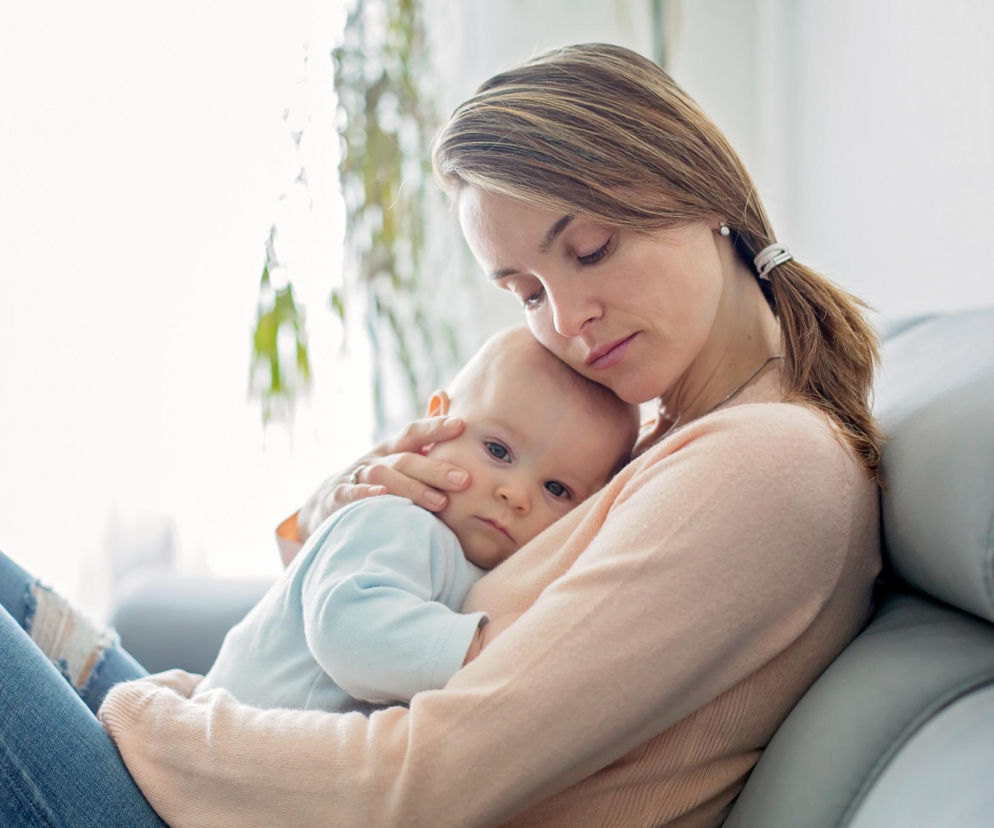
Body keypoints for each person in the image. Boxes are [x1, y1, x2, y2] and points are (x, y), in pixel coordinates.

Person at [2, 43, 883, 827]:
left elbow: (421, 785)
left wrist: (144, 716)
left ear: (702, 188)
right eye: (526, 292)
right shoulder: (666, 439)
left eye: (592, 247)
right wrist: (337, 525)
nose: (569, 319)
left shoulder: (764, 468)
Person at [196, 326, 638, 713]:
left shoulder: (501, 565)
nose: (516, 494)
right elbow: (346, 631)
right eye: (498, 451)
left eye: (557, 489)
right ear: (436, 421)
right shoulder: (398, 519)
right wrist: (477, 649)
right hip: (207, 748)